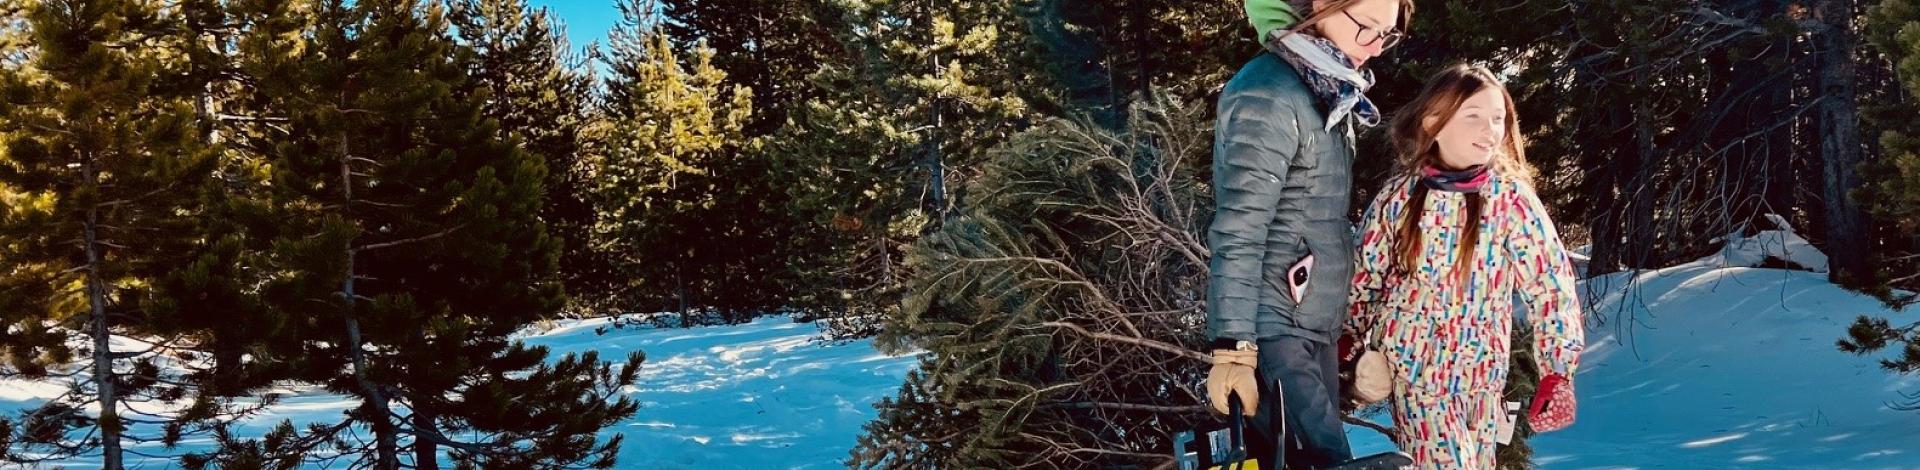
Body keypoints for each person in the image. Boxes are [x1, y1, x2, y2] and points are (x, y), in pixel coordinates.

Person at [1344, 64, 1586, 469]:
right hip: (1418, 376)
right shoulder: (1399, 199)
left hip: (1483, 377)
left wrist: (1557, 371)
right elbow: (1366, 277)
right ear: (1433, 122)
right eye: (1473, 117)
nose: (1490, 130)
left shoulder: (1510, 200)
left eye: (1498, 119)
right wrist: (1348, 341)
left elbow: (1550, 285)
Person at [1205, 0, 1412, 467]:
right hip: (1272, 327)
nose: (1375, 48)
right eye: (1365, 28)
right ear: (1318, 7)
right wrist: (1234, 349)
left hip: (1310, 324)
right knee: (1325, 458)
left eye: (1387, 34)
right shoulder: (1268, 94)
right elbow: (1240, 225)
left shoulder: (1324, 91)